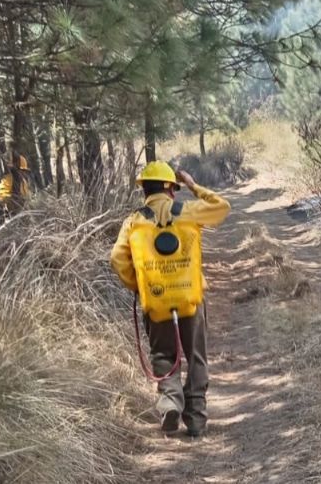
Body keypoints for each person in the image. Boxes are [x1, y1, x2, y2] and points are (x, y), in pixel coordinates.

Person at [110, 161, 231, 437]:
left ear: (144, 191)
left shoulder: (133, 221)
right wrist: (193, 185)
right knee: (196, 357)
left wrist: (139, 286)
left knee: (163, 355)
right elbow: (223, 207)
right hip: (190, 299)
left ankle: (170, 403)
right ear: (171, 189)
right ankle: (197, 418)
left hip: (156, 301)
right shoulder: (187, 212)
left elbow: (116, 259)